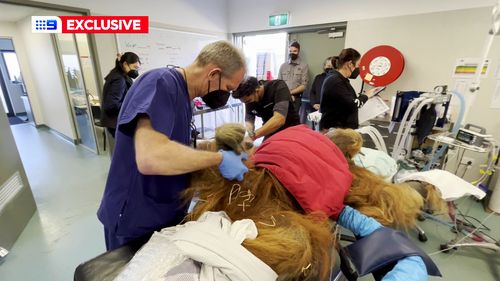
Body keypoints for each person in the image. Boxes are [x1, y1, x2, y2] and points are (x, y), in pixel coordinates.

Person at [97, 40, 249, 251]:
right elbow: (152, 157)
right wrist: (220, 159)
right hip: (136, 216)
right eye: (228, 88)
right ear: (213, 74)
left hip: (163, 213)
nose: (227, 95)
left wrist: (218, 148)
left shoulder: (184, 97)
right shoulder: (160, 83)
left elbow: (176, 145)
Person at [319, 48, 379, 131]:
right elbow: (353, 104)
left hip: (341, 129)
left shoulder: (341, 80)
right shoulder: (336, 81)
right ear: (350, 64)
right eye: (358, 65)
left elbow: (346, 102)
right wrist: (367, 95)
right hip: (336, 130)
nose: (359, 69)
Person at [231, 76, 300, 140]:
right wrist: (250, 130)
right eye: (245, 102)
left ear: (257, 91)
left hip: (290, 128)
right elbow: (249, 117)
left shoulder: (278, 87)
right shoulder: (249, 98)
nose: (247, 104)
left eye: (248, 101)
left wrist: (254, 136)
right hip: (270, 129)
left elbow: (279, 119)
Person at [101, 52, 141, 141]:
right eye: (134, 67)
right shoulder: (119, 79)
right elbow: (111, 105)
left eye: (137, 68)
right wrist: (131, 107)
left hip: (115, 121)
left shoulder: (117, 73)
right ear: (125, 64)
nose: (136, 71)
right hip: (117, 122)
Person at [278, 41, 309, 114]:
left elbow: (304, 86)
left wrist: (290, 93)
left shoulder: (304, 66)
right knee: (282, 119)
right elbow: (279, 83)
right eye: (290, 51)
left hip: (296, 98)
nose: (292, 53)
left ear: (298, 51)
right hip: (283, 97)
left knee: (293, 120)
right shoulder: (283, 66)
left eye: (294, 51)